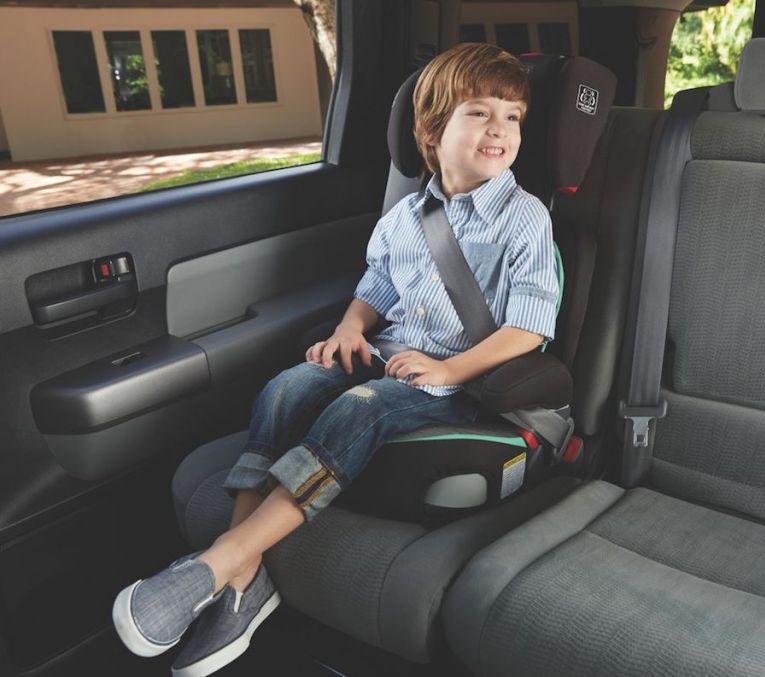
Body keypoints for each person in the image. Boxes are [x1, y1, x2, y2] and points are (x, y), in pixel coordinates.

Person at [111, 42, 560, 677]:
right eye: (479, 113)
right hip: (393, 358)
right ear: (432, 132)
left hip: (468, 384)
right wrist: (351, 328)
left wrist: (451, 369)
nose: (500, 130)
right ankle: (243, 574)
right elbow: (376, 289)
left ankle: (222, 560)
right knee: (289, 387)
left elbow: (530, 326)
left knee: (360, 406)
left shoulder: (524, 217)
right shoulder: (405, 218)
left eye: (512, 117)